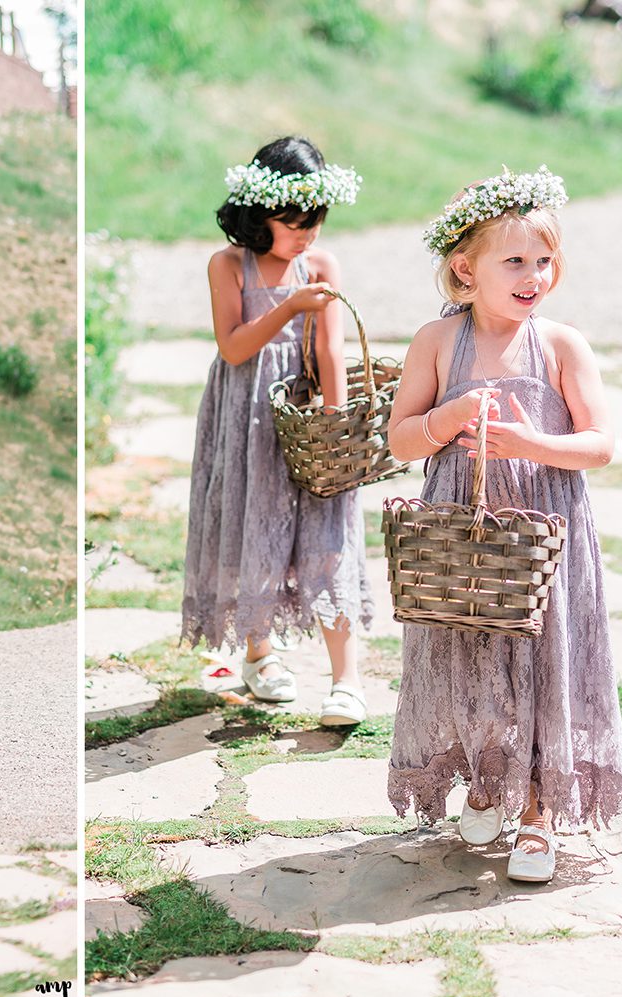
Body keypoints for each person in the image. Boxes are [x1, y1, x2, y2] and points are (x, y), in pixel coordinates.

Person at [385, 167, 622, 882]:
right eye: (516, 260)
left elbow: (601, 443)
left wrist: (530, 444)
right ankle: (486, 776)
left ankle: (538, 810)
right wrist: (445, 418)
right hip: (461, 536)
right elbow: (401, 439)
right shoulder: (437, 343)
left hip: (543, 532)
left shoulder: (560, 346)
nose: (535, 275)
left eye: (545, 259)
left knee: (541, 662)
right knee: (465, 657)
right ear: (466, 269)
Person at [182, 136, 374, 724]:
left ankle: (347, 680)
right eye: (293, 222)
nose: (306, 235)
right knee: (251, 523)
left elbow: (332, 348)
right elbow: (234, 348)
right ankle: (259, 652)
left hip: (306, 417)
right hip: (245, 418)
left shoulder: (321, 265)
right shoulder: (227, 265)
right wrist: (289, 307)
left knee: (326, 535)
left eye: (315, 221)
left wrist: (336, 426)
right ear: (259, 212)